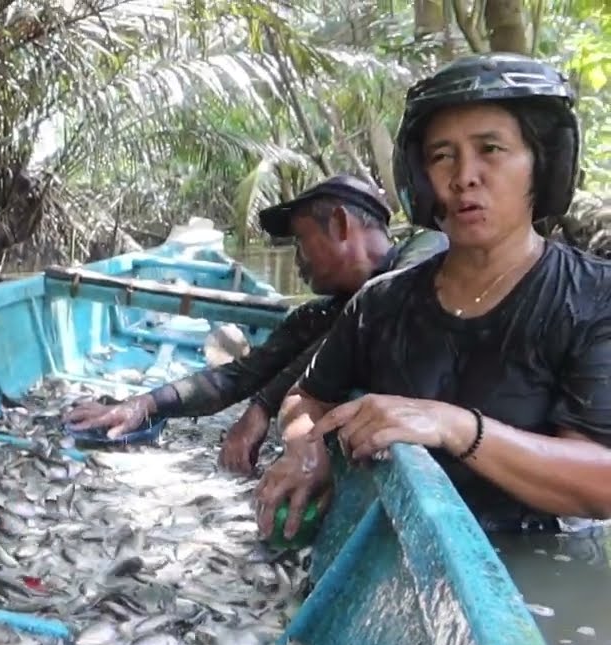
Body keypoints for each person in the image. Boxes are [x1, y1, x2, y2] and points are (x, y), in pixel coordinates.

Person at [255, 53, 611, 544]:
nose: (465, 175)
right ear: (421, 179)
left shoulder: (595, 297)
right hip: (397, 549)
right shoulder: (380, 303)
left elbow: (602, 483)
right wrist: (305, 450)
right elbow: (305, 397)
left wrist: (459, 427)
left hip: (536, 567)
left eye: (491, 149)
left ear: (540, 167)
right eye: (442, 155)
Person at [64, 175, 448, 474]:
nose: (297, 259)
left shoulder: (429, 253)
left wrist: (262, 407)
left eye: (300, 240)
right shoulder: (325, 313)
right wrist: (145, 404)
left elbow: (369, 315)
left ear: (340, 223)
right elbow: (241, 374)